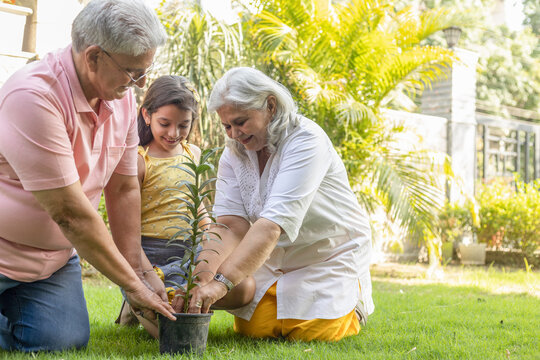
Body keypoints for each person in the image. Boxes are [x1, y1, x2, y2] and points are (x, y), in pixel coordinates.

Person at [0, 0, 176, 352]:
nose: (140, 84)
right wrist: (133, 288)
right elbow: (70, 213)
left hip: (53, 263)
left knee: (63, 342)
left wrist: (141, 272)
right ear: (94, 56)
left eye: (145, 70)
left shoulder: (119, 97)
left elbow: (124, 187)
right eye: (132, 71)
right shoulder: (34, 96)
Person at [180, 67, 375, 342]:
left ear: (270, 105)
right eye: (227, 126)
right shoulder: (233, 152)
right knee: (256, 330)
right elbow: (229, 225)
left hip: (326, 256)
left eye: (241, 122)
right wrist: (202, 279)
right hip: (272, 260)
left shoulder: (306, 139)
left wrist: (221, 284)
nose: (234, 133)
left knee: (314, 334)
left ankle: (353, 306)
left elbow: (272, 226)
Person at [116, 75, 255, 338]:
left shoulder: (193, 154)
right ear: (146, 116)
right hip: (150, 256)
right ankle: (138, 300)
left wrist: (208, 237)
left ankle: (162, 304)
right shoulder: (138, 161)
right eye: (164, 124)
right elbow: (128, 234)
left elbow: (196, 203)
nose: (173, 133)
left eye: (183, 125)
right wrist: (144, 274)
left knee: (244, 288)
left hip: (191, 251)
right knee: (173, 336)